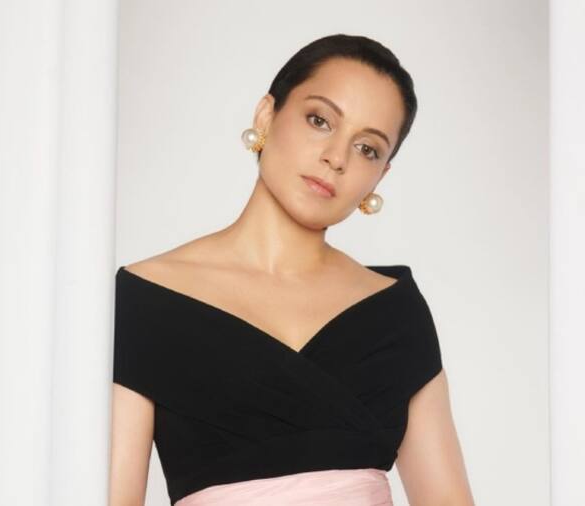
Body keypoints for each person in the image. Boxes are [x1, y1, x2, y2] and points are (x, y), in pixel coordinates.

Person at [109, 33, 474, 506]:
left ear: (379, 177)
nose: (336, 158)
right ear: (266, 115)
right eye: (320, 120)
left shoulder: (395, 311)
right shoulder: (145, 298)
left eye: (367, 148)